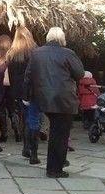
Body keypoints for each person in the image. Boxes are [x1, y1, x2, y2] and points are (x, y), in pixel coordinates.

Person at [24, 27, 84, 178]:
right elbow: (80, 74)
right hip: (64, 99)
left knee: (56, 132)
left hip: (44, 98)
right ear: (62, 38)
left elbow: (28, 76)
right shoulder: (68, 53)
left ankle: (57, 163)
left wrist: (26, 96)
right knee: (60, 134)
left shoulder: (36, 53)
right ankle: (55, 168)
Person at [7, 25, 40, 165]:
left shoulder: (11, 53)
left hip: (18, 90)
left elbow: (11, 75)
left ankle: (26, 148)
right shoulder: (35, 51)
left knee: (25, 117)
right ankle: (33, 153)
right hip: (32, 89)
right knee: (33, 119)